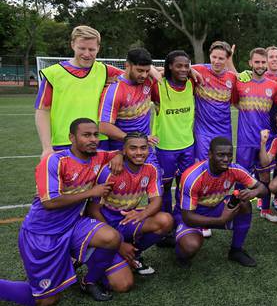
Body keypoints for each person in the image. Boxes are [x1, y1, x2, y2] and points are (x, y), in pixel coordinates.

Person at [0, 118, 131, 306]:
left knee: (112, 238)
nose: (93, 139)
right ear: (72, 137)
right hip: (43, 235)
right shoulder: (54, 161)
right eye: (86, 135)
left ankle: (89, 281)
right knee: (46, 300)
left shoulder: (99, 157)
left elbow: (123, 151)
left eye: (95, 134)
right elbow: (49, 202)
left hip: (73, 225)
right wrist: (92, 192)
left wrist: (119, 154)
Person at [233, 48, 277, 223]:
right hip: (245, 141)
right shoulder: (240, 82)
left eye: (262, 62)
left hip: (266, 140)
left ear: (266, 64)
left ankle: (265, 209)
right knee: (239, 177)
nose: (260, 65)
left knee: (265, 176)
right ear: (250, 63)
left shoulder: (273, 86)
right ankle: (234, 208)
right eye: (256, 62)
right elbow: (235, 102)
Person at [87, 132, 174, 276]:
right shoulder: (110, 171)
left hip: (127, 219)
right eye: (133, 148)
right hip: (105, 224)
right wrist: (118, 243)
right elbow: (93, 210)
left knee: (166, 220)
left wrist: (142, 214)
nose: (139, 153)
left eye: (143, 148)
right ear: (124, 151)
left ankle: (133, 255)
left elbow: (156, 201)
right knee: (123, 285)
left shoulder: (151, 170)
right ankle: (112, 253)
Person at [174, 137, 267, 267]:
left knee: (244, 203)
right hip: (190, 214)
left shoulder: (235, 169)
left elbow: (263, 189)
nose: (226, 159)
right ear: (210, 154)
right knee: (190, 246)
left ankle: (236, 250)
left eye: (229, 155)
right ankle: (179, 251)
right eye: (221, 155)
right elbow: (188, 217)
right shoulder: (193, 176)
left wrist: (253, 193)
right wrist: (221, 220)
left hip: (215, 209)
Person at [35, 26, 124, 157]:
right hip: (65, 143)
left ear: (98, 48)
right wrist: (47, 147)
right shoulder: (54, 73)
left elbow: (135, 74)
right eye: (82, 48)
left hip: (99, 142)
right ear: (72, 45)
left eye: (92, 49)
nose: (87, 54)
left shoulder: (106, 71)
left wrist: (150, 68)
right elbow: (42, 110)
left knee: (101, 178)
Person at [152, 50, 196, 239]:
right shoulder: (159, 86)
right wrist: (158, 71)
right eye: (179, 65)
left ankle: (180, 219)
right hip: (165, 147)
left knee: (184, 185)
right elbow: (146, 71)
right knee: (165, 186)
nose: (183, 69)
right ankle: (166, 223)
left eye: (187, 66)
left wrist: (193, 71)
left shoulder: (192, 83)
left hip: (187, 145)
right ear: (170, 66)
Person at [98, 48, 160, 167]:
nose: (144, 75)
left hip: (146, 151)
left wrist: (191, 70)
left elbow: (167, 70)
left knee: (155, 182)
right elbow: (103, 126)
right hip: (122, 153)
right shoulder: (114, 90)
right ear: (127, 65)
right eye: (140, 70)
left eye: (147, 71)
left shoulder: (148, 80)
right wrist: (135, 140)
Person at [191, 41, 239, 160]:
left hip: (224, 130)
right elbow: (175, 67)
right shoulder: (198, 70)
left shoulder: (232, 78)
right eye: (214, 57)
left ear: (227, 59)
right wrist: (189, 69)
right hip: (203, 131)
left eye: (221, 58)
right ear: (210, 56)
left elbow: (238, 98)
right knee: (204, 164)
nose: (216, 61)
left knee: (223, 163)